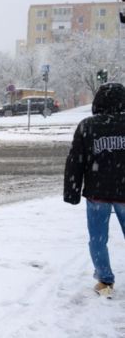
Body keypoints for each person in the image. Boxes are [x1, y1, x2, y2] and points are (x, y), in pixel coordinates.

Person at [64, 83, 125, 297]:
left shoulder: (87, 126)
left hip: (97, 192)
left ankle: (105, 280)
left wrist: (72, 192)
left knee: (98, 239)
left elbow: (75, 162)